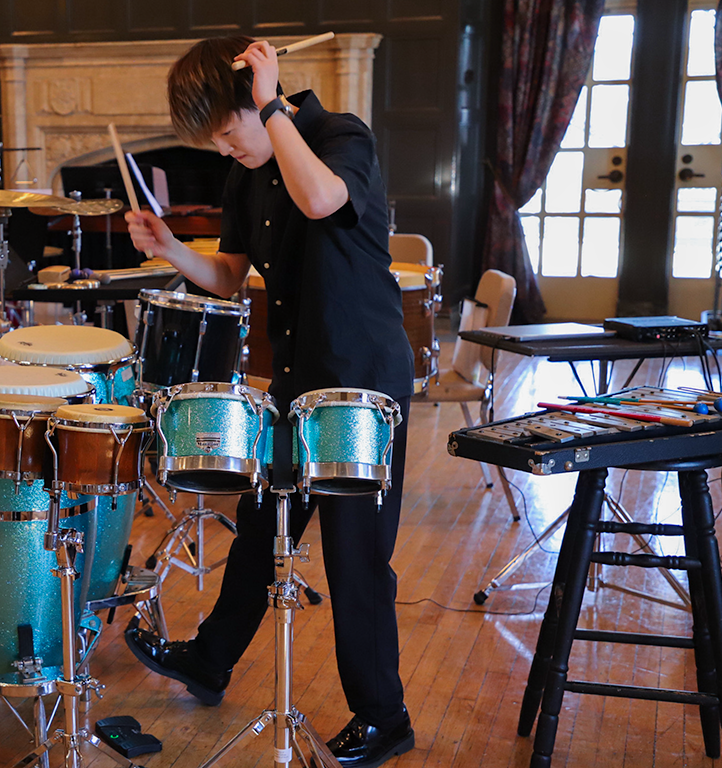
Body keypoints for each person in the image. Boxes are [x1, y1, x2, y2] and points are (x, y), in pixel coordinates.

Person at [123, 36, 416, 768]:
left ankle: (385, 718)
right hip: (296, 378)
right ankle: (210, 661)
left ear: (259, 99)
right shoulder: (248, 170)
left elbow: (320, 199)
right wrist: (170, 249)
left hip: (359, 381)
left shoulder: (339, 136)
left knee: (354, 554)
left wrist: (272, 106)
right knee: (259, 527)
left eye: (230, 132)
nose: (227, 150)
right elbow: (229, 274)